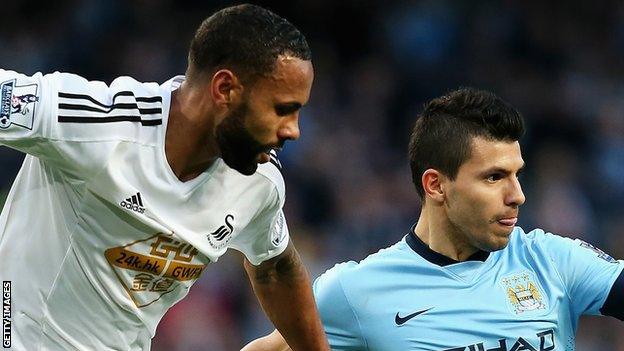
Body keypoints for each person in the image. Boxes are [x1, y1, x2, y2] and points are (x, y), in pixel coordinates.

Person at [0, 4, 330, 351]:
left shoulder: (259, 181)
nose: (293, 131)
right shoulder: (98, 124)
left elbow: (275, 268)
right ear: (224, 89)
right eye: (282, 109)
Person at [243, 88, 623, 351]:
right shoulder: (355, 293)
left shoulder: (551, 260)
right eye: (494, 177)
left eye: (517, 174)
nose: (517, 195)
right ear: (436, 185)